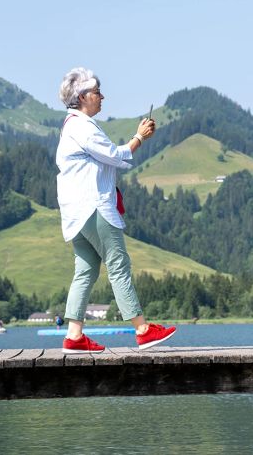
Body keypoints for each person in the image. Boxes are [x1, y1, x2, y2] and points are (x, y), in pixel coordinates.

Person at [56, 67, 176, 353]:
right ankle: (143, 330)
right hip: (93, 207)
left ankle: (74, 335)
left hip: (75, 214)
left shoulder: (70, 126)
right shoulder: (81, 126)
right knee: (118, 265)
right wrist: (140, 137)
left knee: (85, 270)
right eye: (97, 92)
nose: (102, 97)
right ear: (83, 97)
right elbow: (113, 154)